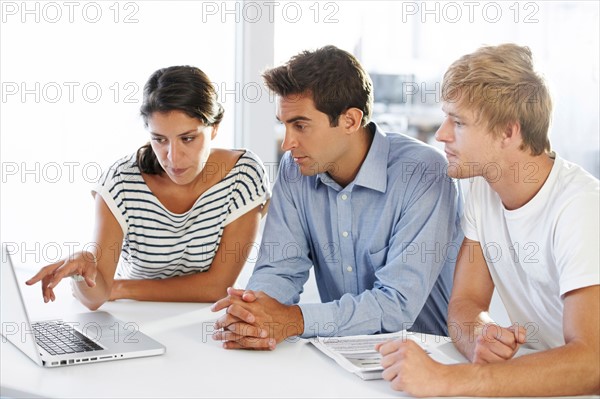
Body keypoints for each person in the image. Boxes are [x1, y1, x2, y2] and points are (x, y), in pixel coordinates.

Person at [377, 43, 600, 396]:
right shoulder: (482, 187)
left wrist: (448, 380)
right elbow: (465, 304)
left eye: (459, 122)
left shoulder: (581, 208)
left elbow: (592, 362)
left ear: (509, 132)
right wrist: (479, 336)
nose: (441, 134)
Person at [210, 45, 463, 350]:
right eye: (284, 125)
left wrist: (294, 320)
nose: (288, 143)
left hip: (428, 359)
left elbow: (397, 305)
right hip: (338, 354)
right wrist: (252, 313)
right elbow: (279, 268)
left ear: (350, 121)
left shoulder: (422, 173)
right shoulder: (295, 169)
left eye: (300, 125)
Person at [26, 66, 271, 310]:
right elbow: (96, 298)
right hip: (132, 318)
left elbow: (217, 287)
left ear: (215, 127)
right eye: (160, 139)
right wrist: (82, 272)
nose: (173, 158)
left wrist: (121, 287)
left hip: (204, 323)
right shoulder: (121, 183)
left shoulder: (243, 175)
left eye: (188, 138)